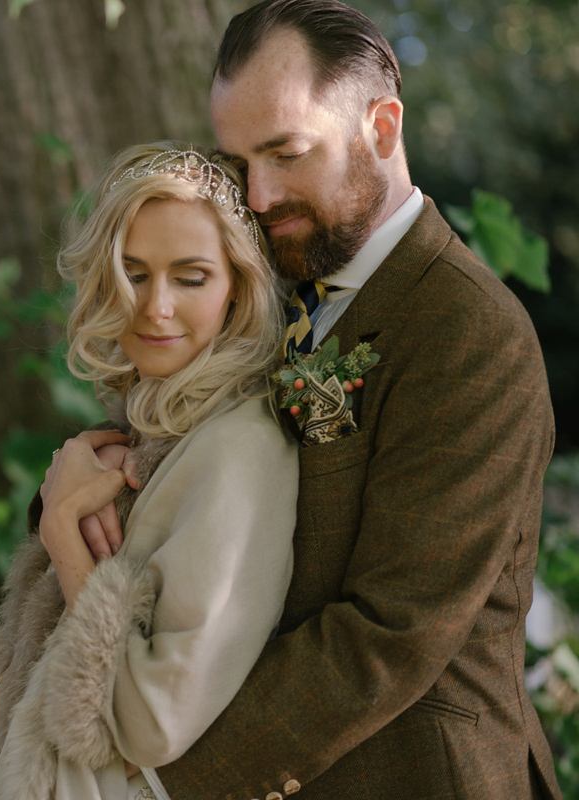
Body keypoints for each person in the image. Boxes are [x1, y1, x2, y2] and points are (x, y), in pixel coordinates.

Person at [82, 2, 560, 797]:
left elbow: (390, 633)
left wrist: (165, 782)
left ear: (381, 126)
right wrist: (73, 474)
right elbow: (169, 438)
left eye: (287, 152)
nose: (260, 196)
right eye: (240, 164)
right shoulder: (272, 274)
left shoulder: (471, 333)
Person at [0, 144, 298, 800]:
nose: (154, 308)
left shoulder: (241, 451)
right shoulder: (151, 428)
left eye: (190, 277)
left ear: (238, 287)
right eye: (133, 273)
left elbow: (154, 721)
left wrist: (63, 532)